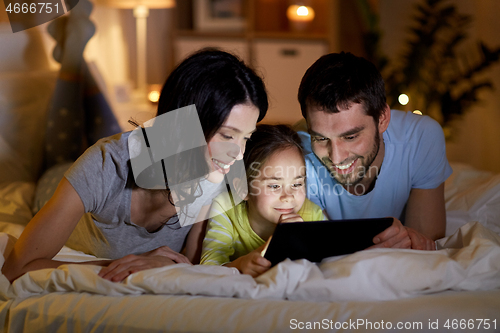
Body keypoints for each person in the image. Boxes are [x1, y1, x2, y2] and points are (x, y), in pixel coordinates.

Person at [2, 3, 268, 282]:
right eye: (227, 135)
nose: (237, 155)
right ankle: (72, 59)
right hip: (56, 179)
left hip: (141, 152)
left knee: (106, 129)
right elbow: (17, 267)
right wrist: (123, 263)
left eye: (245, 137)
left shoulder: (213, 175)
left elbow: (192, 264)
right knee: (61, 152)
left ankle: (75, 53)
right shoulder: (105, 167)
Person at [297, 52, 453, 251]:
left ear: (382, 119)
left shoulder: (421, 137)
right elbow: (314, 250)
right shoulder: (296, 152)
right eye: (320, 138)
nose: (336, 157)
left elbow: (425, 245)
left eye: (350, 137)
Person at [201, 125, 324, 277]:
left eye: (297, 184)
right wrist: (240, 265)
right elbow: (208, 267)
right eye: (274, 185)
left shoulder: (311, 214)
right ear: (242, 190)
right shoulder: (226, 207)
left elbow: (330, 262)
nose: (288, 196)